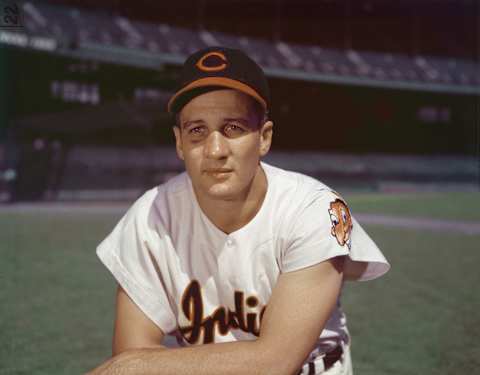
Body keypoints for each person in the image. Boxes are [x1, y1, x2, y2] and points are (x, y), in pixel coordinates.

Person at [87, 46, 390, 375]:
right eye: (197, 131)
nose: (215, 150)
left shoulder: (311, 208)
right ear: (178, 143)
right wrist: (134, 365)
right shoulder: (150, 216)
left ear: (264, 138)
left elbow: (275, 363)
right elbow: (133, 354)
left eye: (233, 128)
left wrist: (133, 366)